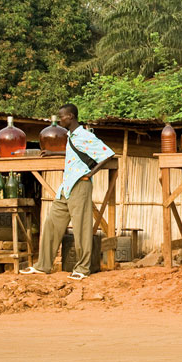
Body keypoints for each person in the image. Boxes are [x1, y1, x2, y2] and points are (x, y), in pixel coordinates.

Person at [20, 104, 115, 280]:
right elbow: (74, 153)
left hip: (80, 185)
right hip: (67, 186)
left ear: (70, 117)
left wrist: (90, 173)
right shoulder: (72, 136)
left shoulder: (85, 135)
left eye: (62, 116)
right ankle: (43, 265)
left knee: (81, 227)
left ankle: (82, 268)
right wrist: (53, 153)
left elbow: (107, 154)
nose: (59, 119)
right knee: (51, 223)